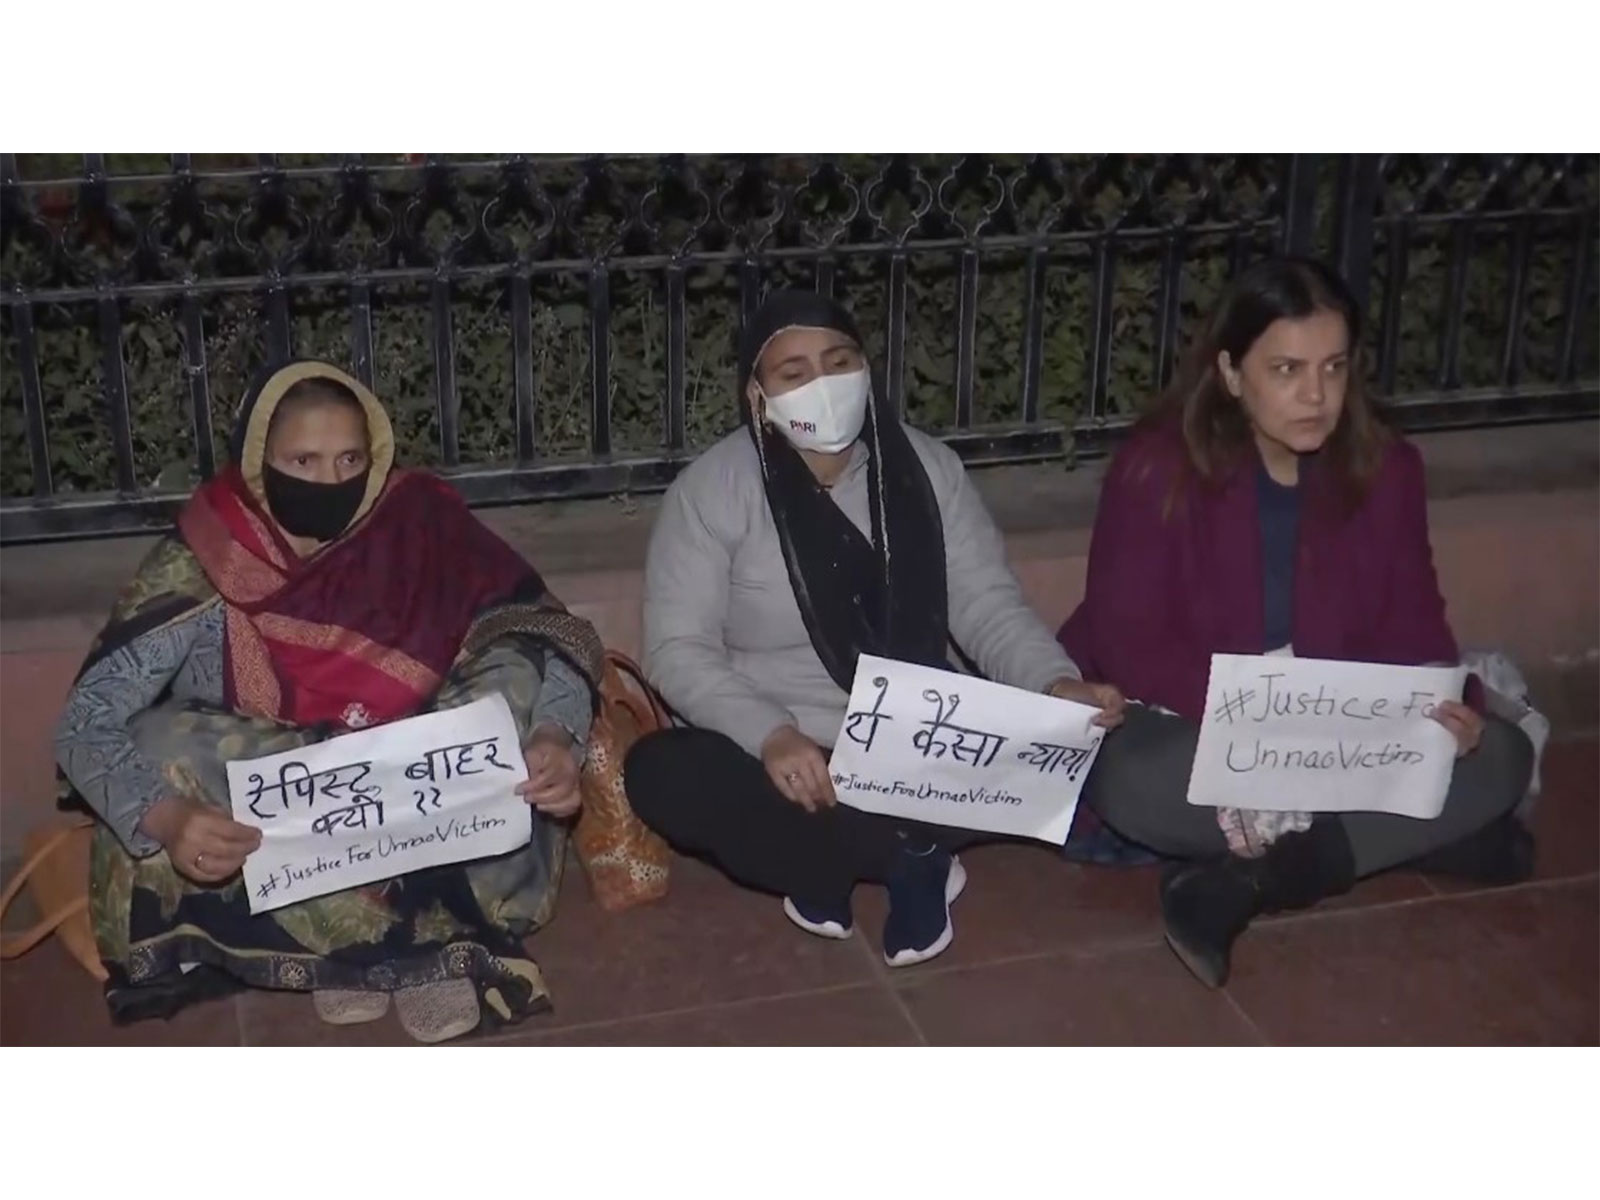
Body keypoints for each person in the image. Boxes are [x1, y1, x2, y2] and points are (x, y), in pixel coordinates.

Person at [55, 360, 605, 1042]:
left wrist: (556, 736)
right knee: (156, 742)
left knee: (516, 675)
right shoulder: (208, 555)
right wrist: (167, 819)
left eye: (349, 459)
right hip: (281, 789)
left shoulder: (417, 525)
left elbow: (547, 633)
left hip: (415, 773)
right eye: (302, 461)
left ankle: (429, 940)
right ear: (258, 462)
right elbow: (88, 720)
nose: (329, 480)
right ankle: (347, 943)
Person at [1057, 257, 1536, 989]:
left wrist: (1454, 707)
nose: (1316, 395)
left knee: (1500, 756)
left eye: (1333, 368)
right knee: (1130, 779)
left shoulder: (1388, 468)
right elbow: (1131, 644)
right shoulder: (1157, 468)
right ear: (1231, 372)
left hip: (1336, 723)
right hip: (1192, 714)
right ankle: (1405, 839)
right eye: (1286, 370)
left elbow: (1414, 622)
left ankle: (1247, 883)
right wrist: (1273, 725)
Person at [624, 290, 1124, 967]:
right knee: (660, 772)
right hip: (779, 750)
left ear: (866, 368)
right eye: (794, 373)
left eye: (839, 362)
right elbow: (678, 650)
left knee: (1062, 748)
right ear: (757, 396)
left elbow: (986, 604)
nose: (823, 385)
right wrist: (770, 733)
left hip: (913, 736)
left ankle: (830, 857)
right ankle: (908, 856)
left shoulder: (928, 470)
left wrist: (1053, 683)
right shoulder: (714, 491)